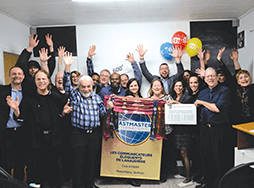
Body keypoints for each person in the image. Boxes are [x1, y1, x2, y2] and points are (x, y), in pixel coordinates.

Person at [63, 52, 113, 188]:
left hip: (94, 135)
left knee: (91, 161)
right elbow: (66, 84)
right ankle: (78, 186)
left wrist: (108, 108)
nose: (86, 89)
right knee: (78, 162)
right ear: (79, 87)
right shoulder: (75, 96)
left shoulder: (97, 98)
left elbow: (102, 115)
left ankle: (89, 184)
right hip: (78, 134)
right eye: (83, 86)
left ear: (92, 86)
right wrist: (67, 67)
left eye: (88, 86)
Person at [194, 67, 231, 188]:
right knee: (206, 157)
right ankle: (208, 183)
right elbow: (195, 109)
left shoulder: (225, 90)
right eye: (207, 76)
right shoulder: (202, 93)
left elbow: (217, 108)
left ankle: (220, 184)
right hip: (204, 129)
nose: (210, 78)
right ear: (204, 79)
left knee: (219, 158)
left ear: (217, 77)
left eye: (212, 75)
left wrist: (202, 102)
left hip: (219, 129)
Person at [0, 66, 29, 182]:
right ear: (9, 76)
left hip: (22, 132)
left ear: (23, 77)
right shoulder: (2, 91)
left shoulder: (28, 93)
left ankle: (19, 184)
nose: (16, 76)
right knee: (4, 162)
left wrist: (17, 110)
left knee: (20, 163)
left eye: (19, 74)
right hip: (5, 132)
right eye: (14, 74)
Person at [166, 79, 194, 187]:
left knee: (184, 153)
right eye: (176, 86)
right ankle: (184, 173)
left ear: (183, 87)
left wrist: (175, 103)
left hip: (185, 130)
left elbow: (188, 110)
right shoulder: (173, 97)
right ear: (173, 88)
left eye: (180, 86)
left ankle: (189, 178)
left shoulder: (187, 97)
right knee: (180, 152)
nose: (178, 87)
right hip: (176, 129)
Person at [148, 79, 176, 183]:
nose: (156, 87)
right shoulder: (148, 100)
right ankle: (154, 174)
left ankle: (163, 174)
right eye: (154, 85)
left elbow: (175, 110)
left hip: (166, 130)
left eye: (158, 85)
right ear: (151, 88)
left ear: (162, 87)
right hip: (153, 131)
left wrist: (172, 103)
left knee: (165, 154)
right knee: (154, 153)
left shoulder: (168, 97)